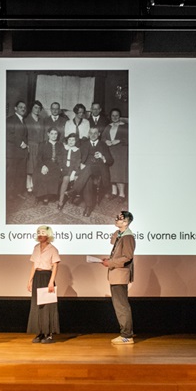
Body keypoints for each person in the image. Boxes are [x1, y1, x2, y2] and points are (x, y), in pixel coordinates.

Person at [102, 211, 136, 344]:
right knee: (119, 305)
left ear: (126, 222)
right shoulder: (120, 235)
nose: (116, 220)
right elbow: (114, 245)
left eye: (120, 219)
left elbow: (127, 257)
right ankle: (126, 333)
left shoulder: (128, 237)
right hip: (116, 274)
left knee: (121, 305)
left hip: (120, 274)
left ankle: (126, 335)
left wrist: (110, 263)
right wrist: (109, 260)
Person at [65, 127, 114, 217]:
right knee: (88, 180)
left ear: (99, 134)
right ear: (88, 134)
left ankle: (74, 191)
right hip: (86, 171)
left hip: (99, 169)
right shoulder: (84, 144)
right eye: (91, 133)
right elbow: (78, 158)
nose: (93, 135)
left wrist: (102, 157)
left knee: (88, 168)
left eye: (95, 133)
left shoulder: (103, 145)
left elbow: (110, 161)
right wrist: (80, 166)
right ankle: (88, 207)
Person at [26, 225, 60, 344]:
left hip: (46, 277)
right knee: (37, 305)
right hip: (37, 277)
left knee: (47, 306)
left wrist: (51, 281)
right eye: (38, 233)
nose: (40, 235)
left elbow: (55, 266)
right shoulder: (36, 248)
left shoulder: (52, 249)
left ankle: (49, 333)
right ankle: (39, 332)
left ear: (48, 235)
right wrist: (30, 280)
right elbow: (34, 265)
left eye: (43, 233)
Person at [33, 127, 65, 205]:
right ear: (48, 134)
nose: (54, 136)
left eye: (56, 134)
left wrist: (61, 167)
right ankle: (41, 196)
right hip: (44, 164)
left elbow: (62, 157)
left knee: (55, 176)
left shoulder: (60, 145)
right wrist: (43, 166)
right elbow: (39, 157)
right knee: (41, 175)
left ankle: (49, 195)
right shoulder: (43, 144)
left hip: (55, 165)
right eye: (52, 134)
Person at [102, 108, 128, 201]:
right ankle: (114, 192)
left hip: (121, 153)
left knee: (120, 173)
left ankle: (122, 194)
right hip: (110, 151)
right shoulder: (108, 127)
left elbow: (130, 138)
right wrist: (106, 141)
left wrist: (120, 140)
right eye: (113, 115)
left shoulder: (125, 126)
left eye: (117, 115)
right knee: (111, 172)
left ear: (120, 116)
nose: (115, 117)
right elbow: (102, 138)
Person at [6, 100, 29, 202]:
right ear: (15, 108)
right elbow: (8, 135)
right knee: (11, 174)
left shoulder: (22, 120)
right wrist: (21, 143)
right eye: (20, 107)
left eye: (24, 107)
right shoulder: (10, 119)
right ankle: (8, 195)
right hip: (13, 153)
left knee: (20, 174)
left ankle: (16, 193)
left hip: (21, 153)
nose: (23, 109)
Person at [57, 133, 81, 210]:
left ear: (75, 141)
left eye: (73, 140)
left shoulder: (77, 150)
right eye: (69, 140)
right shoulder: (64, 148)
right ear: (67, 140)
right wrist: (60, 167)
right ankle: (61, 201)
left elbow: (77, 163)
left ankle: (63, 200)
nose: (71, 142)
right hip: (63, 168)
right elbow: (59, 159)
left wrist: (74, 173)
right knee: (66, 178)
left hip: (72, 169)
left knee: (69, 178)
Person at [25, 100, 44, 194]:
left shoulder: (41, 120)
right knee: (29, 166)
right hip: (30, 145)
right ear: (31, 108)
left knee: (36, 166)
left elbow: (44, 133)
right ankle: (28, 185)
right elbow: (24, 134)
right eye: (35, 107)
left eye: (39, 108)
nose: (37, 110)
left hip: (39, 145)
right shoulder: (26, 119)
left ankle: (35, 184)